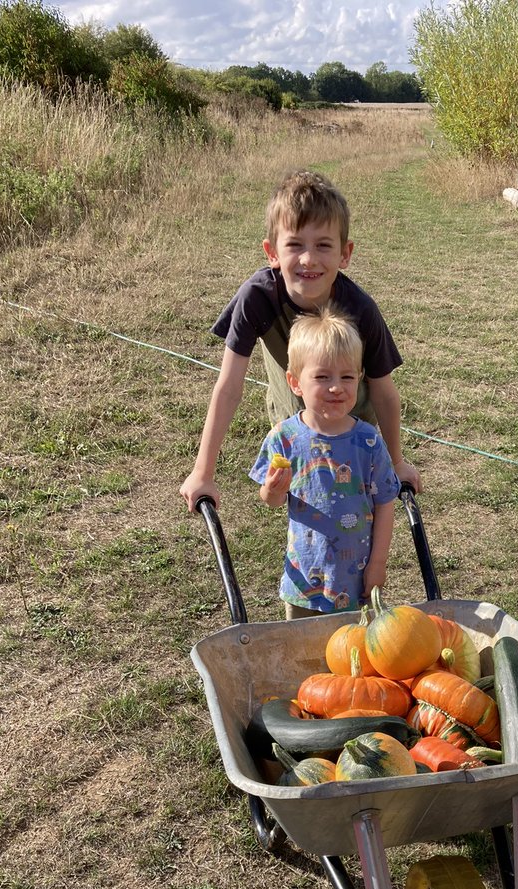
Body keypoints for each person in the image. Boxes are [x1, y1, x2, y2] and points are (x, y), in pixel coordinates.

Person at [180, 169, 420, 511]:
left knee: (351, 513)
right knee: (306, 510)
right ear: (272, 252)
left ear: (345, 253)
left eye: (323, 245)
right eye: (294, 245)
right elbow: (229, 386)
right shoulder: (256, 298)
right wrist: (202, 471)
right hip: (292, 418)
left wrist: (396, 462)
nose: (308, 259)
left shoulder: (360, 310)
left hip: (353, 423)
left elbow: (384, 391)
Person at [251, 306, 399, 618]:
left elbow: (385, 501)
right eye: (322, 377)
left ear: (359, 378)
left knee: (352, 659)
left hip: (356, 581)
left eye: (347, 376)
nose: (336, 387)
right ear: (294, 382)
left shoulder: (368, 441)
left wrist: (377, 565)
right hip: (304, 583)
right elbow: (271, 500)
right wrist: (274, 489)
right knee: (303, 656)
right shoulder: (285, 438)